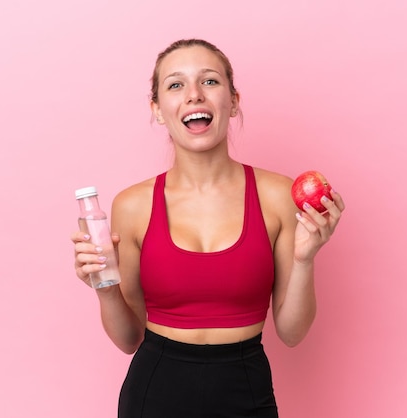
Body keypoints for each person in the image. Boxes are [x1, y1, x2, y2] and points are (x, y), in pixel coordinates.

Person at [71, 38, 345, 418]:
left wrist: (305, 259)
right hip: (153, 394)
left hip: (246, 391)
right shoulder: (132, 205)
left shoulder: (277, 194)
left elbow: (292, 333)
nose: (194, 95)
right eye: (175, 84)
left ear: (233, 101)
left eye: (210, 82)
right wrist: (103, 286)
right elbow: (128, 338)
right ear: (158, 110)